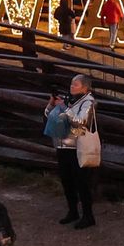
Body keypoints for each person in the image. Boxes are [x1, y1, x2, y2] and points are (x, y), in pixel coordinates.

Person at [44, 75, 99, 228]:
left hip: (78, 148)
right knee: (67, 181)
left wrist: (65, 108)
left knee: (82, 183)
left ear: (85, 88)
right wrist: (52, 105)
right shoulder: (69, 100)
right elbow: (50, 117)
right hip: (62, 146)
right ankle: (73, 211)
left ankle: (88, 216)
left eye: (76, 84)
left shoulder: (89, 102)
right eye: (71, 84)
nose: (72, 87)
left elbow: (81, 123)